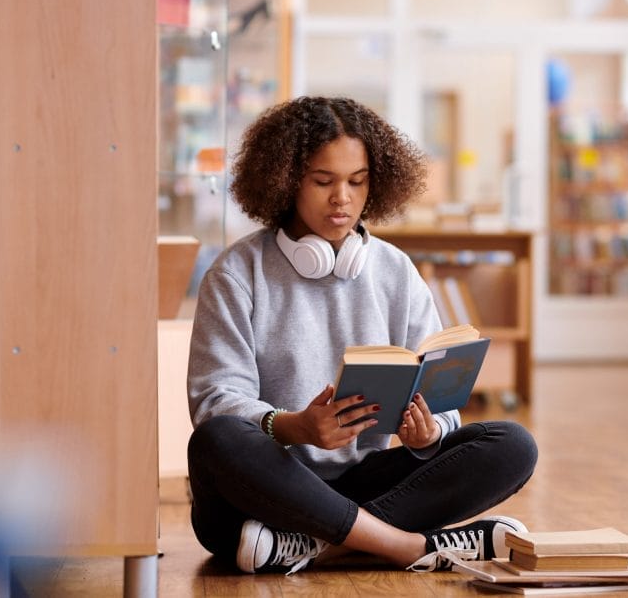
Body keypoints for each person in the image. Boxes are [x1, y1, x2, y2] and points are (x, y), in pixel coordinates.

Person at [186, 96, 538, 575]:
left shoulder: (395, 271)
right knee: (218, 438)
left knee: (512, 444)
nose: (342, 198)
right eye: (323, 181)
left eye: (357, 181)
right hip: (262, 495)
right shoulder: (237, 273)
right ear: (286, 180)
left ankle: (318, 546)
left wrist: (429, 432)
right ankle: (409, 547)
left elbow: (442, 400)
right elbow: (215, 401)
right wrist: (294, 427)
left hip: (337, 498)